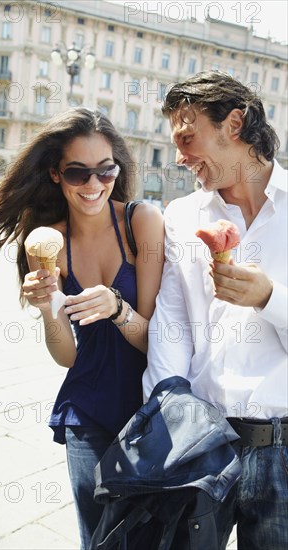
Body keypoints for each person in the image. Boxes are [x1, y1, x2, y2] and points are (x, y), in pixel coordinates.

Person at [0, 107, 165, 549]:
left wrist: (117, 307)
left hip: (147, 410)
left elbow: (155, 341)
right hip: (86, 408)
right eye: (77, 173)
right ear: (55, 174)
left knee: (147, 538)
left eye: (105, 171)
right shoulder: (48, 241)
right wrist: (48, 308)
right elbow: (68, 355)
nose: (94, 185)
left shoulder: (141, 222)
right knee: (97, 539)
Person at [143, 71, 287, 549]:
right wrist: (166, 405)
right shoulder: (183, 215)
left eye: (187, 137)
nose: (180, 157)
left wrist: (270, 298)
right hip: (202, 440)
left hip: (282, 448)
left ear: (235, 123)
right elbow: (172, 320)